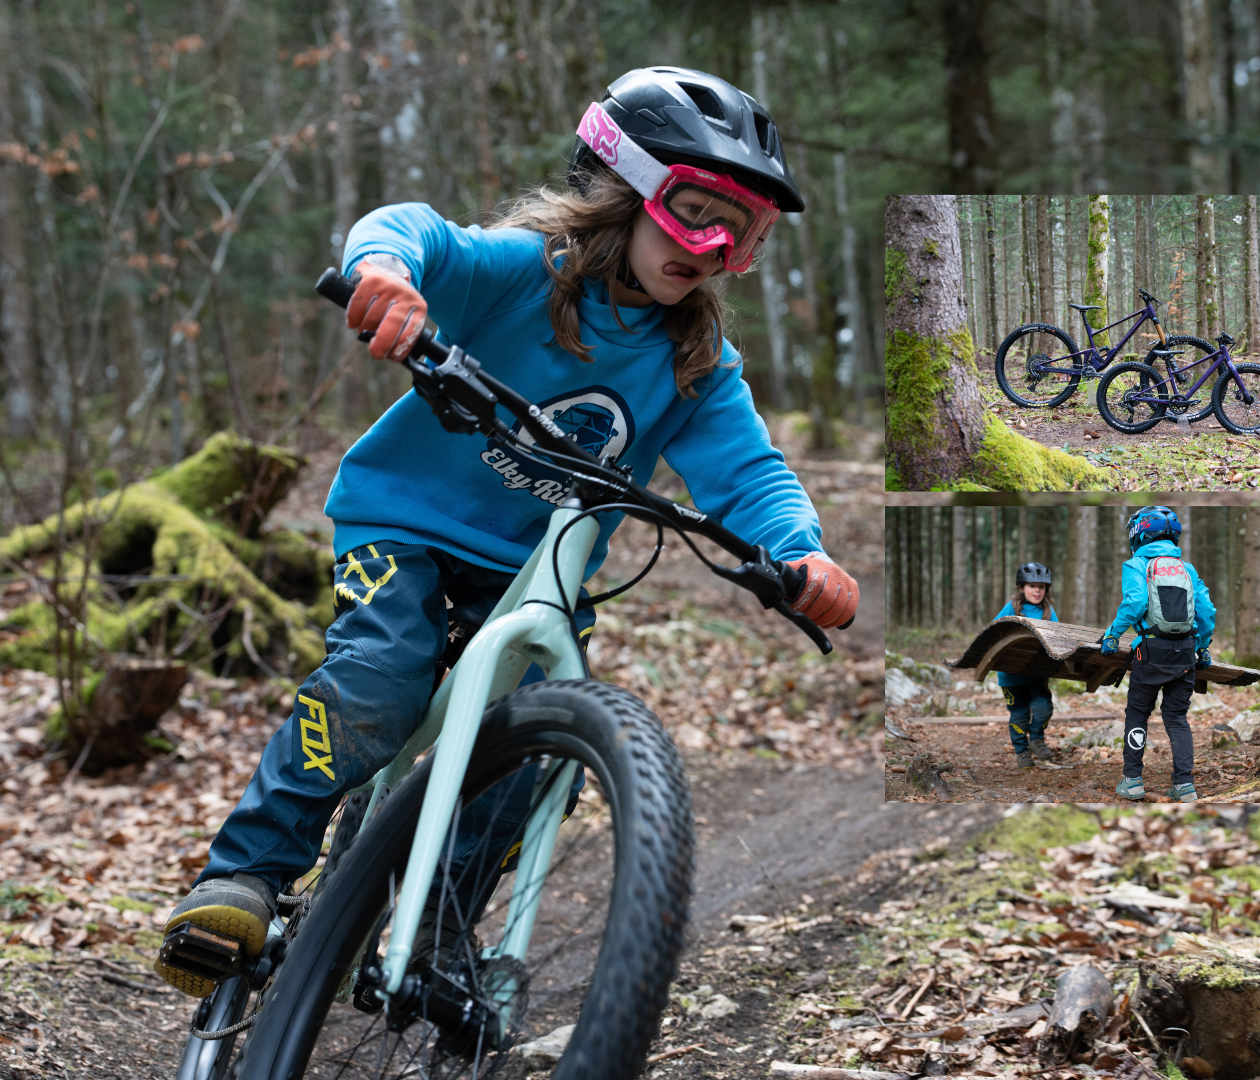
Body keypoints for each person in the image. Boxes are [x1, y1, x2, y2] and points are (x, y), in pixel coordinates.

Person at [153, 67, 859, 998]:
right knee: (379, 676)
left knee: (527, 755)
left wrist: (799, 550)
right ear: (625, 184)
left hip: (537, 571)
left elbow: (747, 471)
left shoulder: (698, 362)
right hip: (404, 524)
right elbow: (417, 233)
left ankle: (438, 932)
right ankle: (245, 872)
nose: (718, 245)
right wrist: (386, 275)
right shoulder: (525, 270)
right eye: (698, 210)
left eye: (748, 231)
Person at [1100, 506, 1215, 803]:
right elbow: (1205, 611)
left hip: (1151, 651)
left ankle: (1133, 780)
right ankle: (1185, 785)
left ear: (1138, 533)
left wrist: (1113, 634)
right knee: (1177, 717)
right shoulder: (1187, 568)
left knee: (1138, 713)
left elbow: (1136, 602)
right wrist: (1202, 645)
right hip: (1186, 652)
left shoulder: (1136, 564)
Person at [993, 563, 1059, 769]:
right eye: (1032, 586)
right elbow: (995, 630)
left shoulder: (1048, 611)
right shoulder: (1013, 607)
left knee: (1043, 707)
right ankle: (1021, 752)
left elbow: (1059, 637)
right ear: (1021, 588)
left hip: (1037, 673)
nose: (1037, 591)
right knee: (1019, 714)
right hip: (1011, 675)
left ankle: (1037, 739)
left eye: (1041, 586)